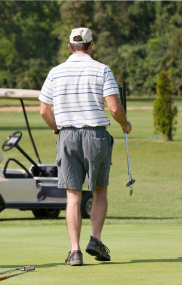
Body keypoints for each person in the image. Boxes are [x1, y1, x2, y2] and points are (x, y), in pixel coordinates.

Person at [39, 27, 132, 266]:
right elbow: (113, 108)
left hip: (67, 135)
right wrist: (125, 124)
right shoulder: (102, 69)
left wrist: (58, 129)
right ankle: (96, 240)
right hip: (95, 136)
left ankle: (74, 252)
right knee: (99, 190)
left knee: (73, 194)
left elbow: (44, 111)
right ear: (91, 46)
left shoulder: (55, 72)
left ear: (70, 47)